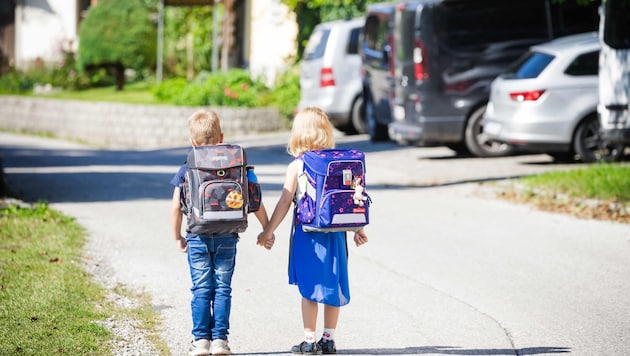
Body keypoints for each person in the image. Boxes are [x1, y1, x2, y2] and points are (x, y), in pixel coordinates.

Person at [257, 106, 368, 355]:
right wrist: (358, 228)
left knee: (309, 288)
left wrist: (268, 231)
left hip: (307, 234)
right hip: (337, 235)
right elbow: (349, 199)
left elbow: (285, 201)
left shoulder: (297, 165)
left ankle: (308, 340)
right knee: (333, 284)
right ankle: (329, 339)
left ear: (298, 134)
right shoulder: (339, 164)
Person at [170, 109, 275, 356]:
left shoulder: (188, 166)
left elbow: (176, 206)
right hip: (228, 233)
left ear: (193, 142)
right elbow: (255, 199)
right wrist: (266, 229)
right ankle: (220, 341)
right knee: (222, 287)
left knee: (201, 288)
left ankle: (200, 342)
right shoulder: (238, 164)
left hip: (197, 235)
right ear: (222, 137)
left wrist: (177, 236)